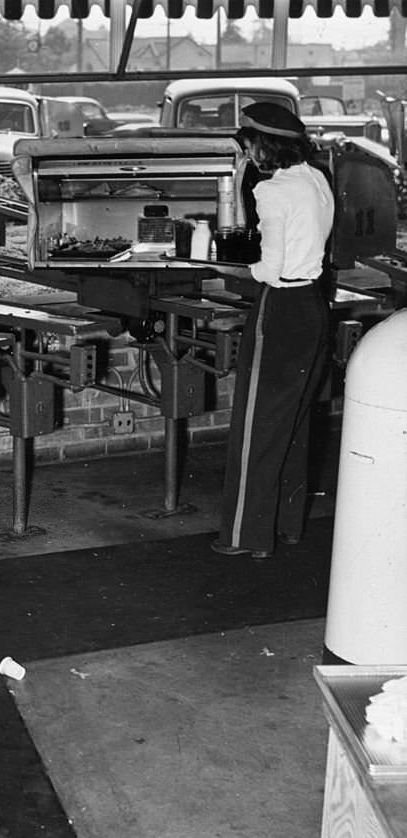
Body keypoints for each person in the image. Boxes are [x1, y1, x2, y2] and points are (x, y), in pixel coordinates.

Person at [211, 102, 334, 559]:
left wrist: (227, 265)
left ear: (265, 144)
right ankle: (285, 527)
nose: (249, 153)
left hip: (279, 307)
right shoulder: (316, 178)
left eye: (250, 144)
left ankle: (245, 536)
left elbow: (270, 267)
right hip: (312, 304)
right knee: (295, 421)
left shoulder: (273, 191)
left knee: (255, 423)